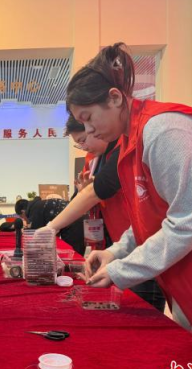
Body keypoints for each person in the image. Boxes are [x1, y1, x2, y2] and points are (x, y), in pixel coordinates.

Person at [66, 42, 192, 369]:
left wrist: (121, 271)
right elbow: (151, 217)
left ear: (115, 98)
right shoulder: (129, 142)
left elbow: (188, 221)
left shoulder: (164, 130)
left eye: (88, 118)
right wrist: (115, 252)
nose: (88, 131)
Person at [51, 115, 166, 312]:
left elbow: (95, 192)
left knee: (143, 309)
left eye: (84, 139)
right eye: (79, 143)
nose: (84, 147)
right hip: (120, 242)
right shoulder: (93, 160)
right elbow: (84, 197)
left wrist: (51, 227)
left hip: (145, 243)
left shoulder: (125, 149)